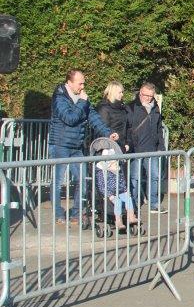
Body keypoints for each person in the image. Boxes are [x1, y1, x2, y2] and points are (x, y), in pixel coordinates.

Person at [48, 69, 118, 224]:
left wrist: (108, 132)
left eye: (83, 83)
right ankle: (58, 214)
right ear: (69, 82)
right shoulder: (59, 96)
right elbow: (69, 118)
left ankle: (76, 213)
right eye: (80, 83)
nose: (82, 86)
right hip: (60, 145)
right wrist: (81, 102)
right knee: (58, 182)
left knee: (83, 179)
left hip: (76, 146)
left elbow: (93, 117)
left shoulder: (83, 99)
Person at [127, 82, 166, 213]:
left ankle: (154, 204)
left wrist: (161, 146)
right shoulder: (131, 107)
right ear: (140, 92)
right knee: (135, 177)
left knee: (155, 176)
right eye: (145, 95)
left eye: (150, 96)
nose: (148, 98)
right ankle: (134, 204)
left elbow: (159, 129)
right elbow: (128, 128)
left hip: (152, 148)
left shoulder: (156, 108)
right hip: (136, 149)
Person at [96, 81, 131, 151]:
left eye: (122, 92)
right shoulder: (104, 108)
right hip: (108, 147)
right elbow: (103, 128)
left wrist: (128, 143)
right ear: (113, 93)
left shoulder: (122, 108)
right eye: (120, 92)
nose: (122, 95)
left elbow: (126, 128)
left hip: (122, 146)